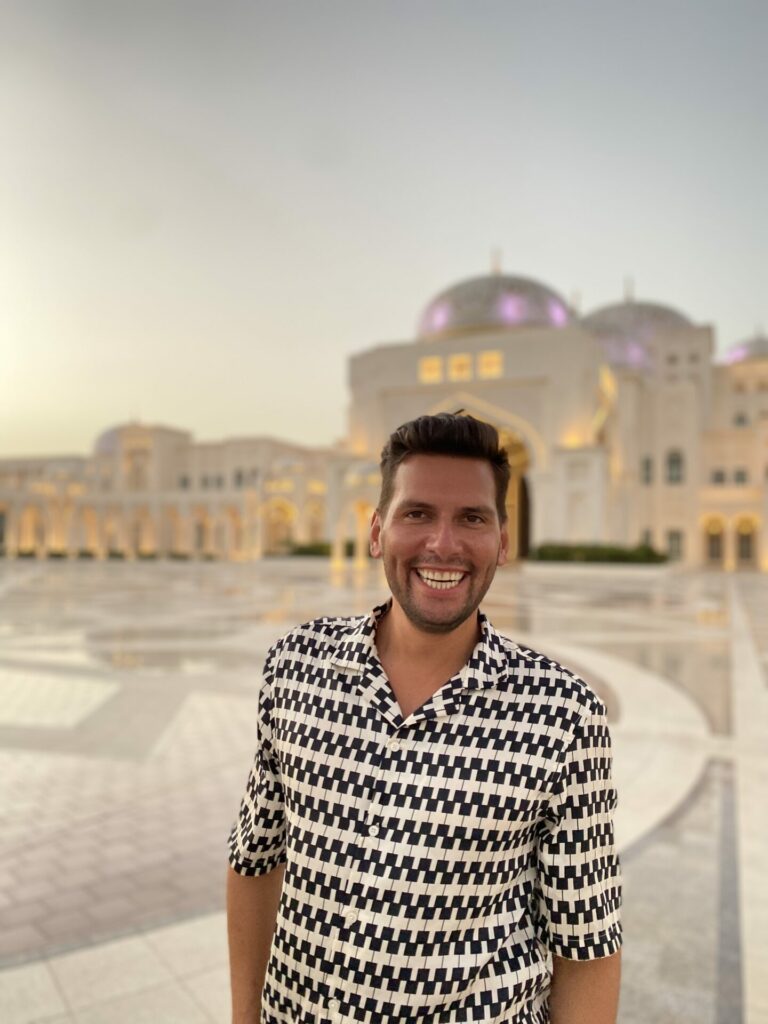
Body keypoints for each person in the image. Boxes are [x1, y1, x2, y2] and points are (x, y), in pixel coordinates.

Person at [227, 412, 622, 1024]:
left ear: (503, 539)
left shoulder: (562, 715)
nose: (444, 544)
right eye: (418, 514)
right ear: (377, 529)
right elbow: (255, 862)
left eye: (472, 518)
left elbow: (588, 945)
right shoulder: (297, 667)